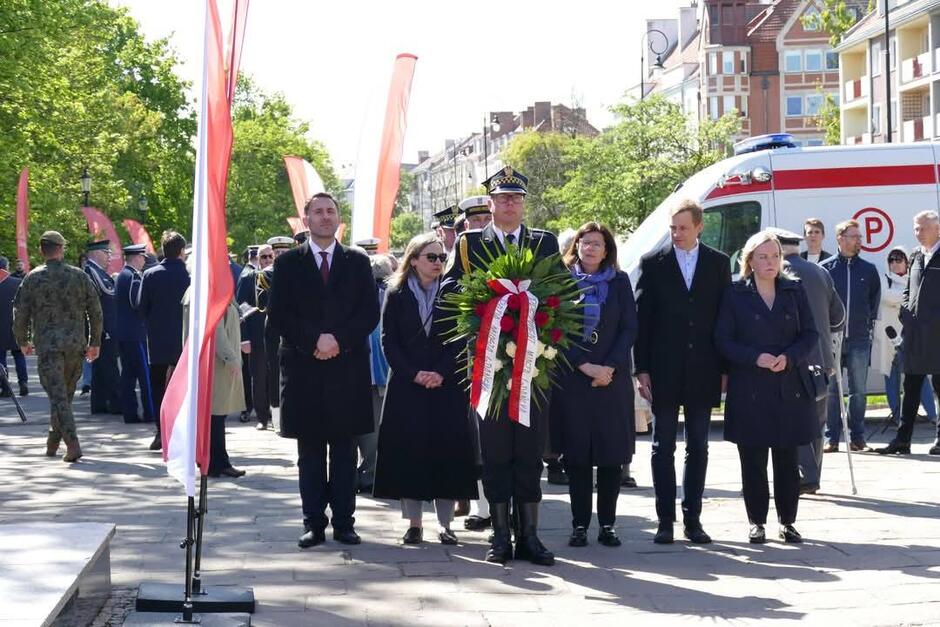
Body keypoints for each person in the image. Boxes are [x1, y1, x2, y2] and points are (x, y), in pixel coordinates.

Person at [443, 165, 559, 566]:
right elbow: (448, 295)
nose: (509, 204)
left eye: (516, 198)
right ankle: (501, 535)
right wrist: (484, 299)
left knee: (529, 450)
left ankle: (530, 535)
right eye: (502, 198)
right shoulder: (468, 244)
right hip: (490, 364)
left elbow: (560, 294)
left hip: (533, 365)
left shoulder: (543, 242)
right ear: (490, 204)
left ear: (524, 204)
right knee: (494, 452)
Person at [266, 192, 380, 548]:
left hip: (347, 370)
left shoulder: (358, 262)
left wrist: (337, 341)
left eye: (331, 211)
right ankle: (314, 523)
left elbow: (368, 314)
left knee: (345, 452)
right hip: (304, 370)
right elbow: (279, 316)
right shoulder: (287, 265)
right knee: (310, 453)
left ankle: (345, 522)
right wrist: (315, 340)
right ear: (306, 219)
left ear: (338, 218)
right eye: (318, 211)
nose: (325, 217)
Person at [635, 198, 731, 545]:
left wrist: (725, 367)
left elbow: (724, 319)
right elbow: (643, 320)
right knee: (662, 446)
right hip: (664, 368)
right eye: (672, 228)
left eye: (683, 228)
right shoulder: (653, 263)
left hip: (705, 368)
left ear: (699, 226)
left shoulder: (718, 263)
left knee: (699, 446)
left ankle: (693, 519)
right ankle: (665, 520)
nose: (676, 234)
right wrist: (641, 368)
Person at [373, 234, 478, 544]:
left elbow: (460, 339)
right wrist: (415, 373)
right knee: (410, 453)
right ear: (414, 258)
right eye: (431, 257)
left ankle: (446, 525)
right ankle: (415, 523)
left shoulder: (454, 292)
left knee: (447, 453)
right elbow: (388, 341)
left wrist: (441, 372)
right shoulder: (396, 293)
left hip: (446, 385)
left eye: (441, 258)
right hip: (408, 385)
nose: (437, 263)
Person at [715, 230, 819, 544]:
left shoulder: (794, 290)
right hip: (750, 386)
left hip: (789, 384)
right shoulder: (735, 293)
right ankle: (756, 522)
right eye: (763, 256)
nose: (770, 262)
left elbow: (811, 334)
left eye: (775, 256)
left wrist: (789, 357)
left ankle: (788, 522)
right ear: (750, 260)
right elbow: (722, 340)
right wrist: (754, 358)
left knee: (787, 460)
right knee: (753, 460)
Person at [551, 222, 637, 548]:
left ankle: (608, 525)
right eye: (585, 243)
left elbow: (629, 327)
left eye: (597, 244)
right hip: (574, 379)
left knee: (611, 457)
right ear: (577, 246)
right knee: (578, 458)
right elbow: (554, 330)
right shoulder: (562, 283)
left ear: (607, 249)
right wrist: (584, 365)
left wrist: (609, 367)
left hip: (610, 381)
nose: (590, 249)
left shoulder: (619, 282)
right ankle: (578, 525)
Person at [13, 231, 102, 462]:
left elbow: (20, 314)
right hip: (75, 347)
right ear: (61, 249)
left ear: (42, 251)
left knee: (59, 398)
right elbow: (95, 311)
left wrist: (22, 341)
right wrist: (95, 342)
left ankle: (72, 445)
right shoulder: (79, 276)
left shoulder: (32, 278)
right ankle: (53, 441)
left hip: (49, 348)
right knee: (63, 397)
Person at [776, 229, 845, 495]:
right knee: (817, 421)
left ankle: (803, 475)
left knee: (795, 419)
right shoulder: (819, 272)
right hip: (822, 358)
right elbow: (838, 316)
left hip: (792, 358)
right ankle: (812, 475)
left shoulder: (776, 273)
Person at [878, 211, 940, 456]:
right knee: (911, 385)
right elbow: (908, 290)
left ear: (937, 228)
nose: (918, 232)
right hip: (914, 334)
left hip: (937, 333)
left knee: (939, 387)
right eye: (915, 228)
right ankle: (902, 440)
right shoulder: (916, 256)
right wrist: (906, 311)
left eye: (922, 228)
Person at [821, 219, 880, 452]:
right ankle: (831, 438)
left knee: (859, 391)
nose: (859, 241)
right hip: (832, 339)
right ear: (840, 238)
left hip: (858, 339)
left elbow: (873, 301)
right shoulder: (825, 269)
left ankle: (858, 438)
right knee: (833, 390)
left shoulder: (868, 269)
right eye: (854, 237)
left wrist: (865, 325)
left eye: (860, 237)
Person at [183, 285, 246, 478]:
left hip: (215, 361)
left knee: (215, 415)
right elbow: (216, 329)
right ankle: (216, 462)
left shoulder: (205, 288)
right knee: (215, 414)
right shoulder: (207, 290)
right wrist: (231, 357)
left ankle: (213, 460)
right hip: (215, 362)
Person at [873, 247, 937, 425]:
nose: (895, 263)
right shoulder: (885, 278)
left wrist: (908, 298)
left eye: (899, 259)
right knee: (891, 378)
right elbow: (886, 296)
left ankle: (932, 415)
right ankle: (896, 417)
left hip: (912, 336)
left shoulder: (915, 278)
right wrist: (911, 297)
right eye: (891, 260)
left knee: (919, 377)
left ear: (907, 262)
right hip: (889, 336)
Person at [139, 231, 190, 450]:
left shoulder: (150, 275)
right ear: (181, 252)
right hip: (184, 340)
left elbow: (141, 308)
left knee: (159, 388)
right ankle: (183, 431)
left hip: (158, 340)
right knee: (185, 388)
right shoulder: (189, 275)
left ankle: (161, 432)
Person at [356, 253, 393, 494]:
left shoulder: (359, 295)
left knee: (366, 431)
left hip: (364, 374)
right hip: (377, 374)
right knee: (375, 431)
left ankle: (368, 473)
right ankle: (371, 474)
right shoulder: (387, 295)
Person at [114, 244, 155, 424]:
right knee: (144, 376)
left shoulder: (123, 275)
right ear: (136, 257)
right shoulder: (133, 277)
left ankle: (130, 413)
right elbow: (137, 304)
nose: (144, 261)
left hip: (124, 333)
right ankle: (149, 412)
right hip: (135, 333)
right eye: (143, 258)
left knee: (128, 376)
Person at [235, 244, 273, 430]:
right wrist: (244, 338)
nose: (267, 260)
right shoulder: (249, 277)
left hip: (276, 336)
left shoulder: (278, 275)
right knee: (259, 378)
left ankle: (277, 415)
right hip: (257, 337)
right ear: (257, 259)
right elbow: (240, 307)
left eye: (269, 256)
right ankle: (262, 417)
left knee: (276, 377)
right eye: (263, 257)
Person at [84, 240, 121, 414]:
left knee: (100, 368)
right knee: (109, 366)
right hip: (104, 328)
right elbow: (109, 292)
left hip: (104, 326)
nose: (109, 258)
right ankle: (116, 403)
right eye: (107, 253)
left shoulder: (98, 272)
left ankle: (99, 404)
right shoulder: (92, 270)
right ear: (97, 253)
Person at [0, 257, 29, 396]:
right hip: (17, 325)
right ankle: (23, 382)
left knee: (1, 359)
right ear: (7, 266)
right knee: (19, 356)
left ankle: (5, 387)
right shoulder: (18, 283)